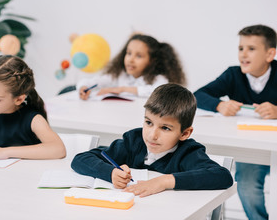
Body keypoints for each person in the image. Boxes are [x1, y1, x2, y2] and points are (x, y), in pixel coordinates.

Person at [71, 83, 233, 197]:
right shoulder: (133, 141)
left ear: (184, 133)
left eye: (165, 128)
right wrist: (110, 172)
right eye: (148, 123)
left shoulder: (188, 153)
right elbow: (80, 160)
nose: (152, 135)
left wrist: (163, 181)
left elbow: (222, 176)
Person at [194, 24, 277, 220]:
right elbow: (197, 95)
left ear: (269, 54)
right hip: (252, 146)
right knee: (246, 184)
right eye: (241, 48)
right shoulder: (233, 74)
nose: (243, 54)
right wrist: (219, 105)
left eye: (251, 49)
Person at [78, 34, 186, 100]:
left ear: (152, 61)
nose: (131, 59)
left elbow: (159, 93)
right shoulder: (120, 75)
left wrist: (122, 89)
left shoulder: (159, 78)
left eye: (139, 56)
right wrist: (83, 87)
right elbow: (96, 81)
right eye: (128, 53)